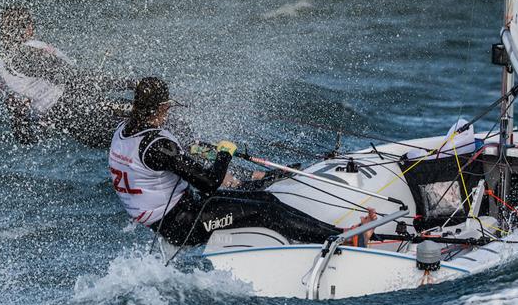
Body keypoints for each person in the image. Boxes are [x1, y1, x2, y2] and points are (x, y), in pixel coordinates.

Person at [108, 77, 378, 247]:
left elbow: (164, 164)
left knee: (262, 196)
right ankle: (342, 237)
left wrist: (198, 152)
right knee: (267, 211)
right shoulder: (158, 147)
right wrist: (224, 152)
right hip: (182, 225)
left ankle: (335, 232)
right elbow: (210, 184)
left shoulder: (124, 129)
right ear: (162, 108)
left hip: (179, 214)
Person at [0, 5, 133, 148]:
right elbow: (75, 79)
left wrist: (46, 125)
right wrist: (130, 84)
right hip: (82, 108)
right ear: (27, 27)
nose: (32, 27)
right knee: (148, 114)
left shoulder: (3, 64)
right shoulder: (26, 54)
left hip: (72, 122)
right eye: (30, 23)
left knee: (125, 146)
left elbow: (22, 133)